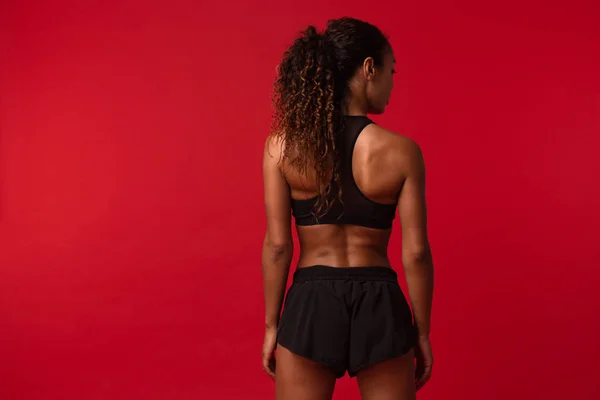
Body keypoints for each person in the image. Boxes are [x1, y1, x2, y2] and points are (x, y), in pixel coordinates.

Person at [261, 17, 434, 400]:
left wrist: (273, 326)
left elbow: (277, 247)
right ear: (369, 68)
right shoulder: (403, 152)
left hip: (311, 301)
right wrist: (421, 333)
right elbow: (417, 254)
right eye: (391, 71)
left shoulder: (282, 148)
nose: (392, 83)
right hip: (380, 302)